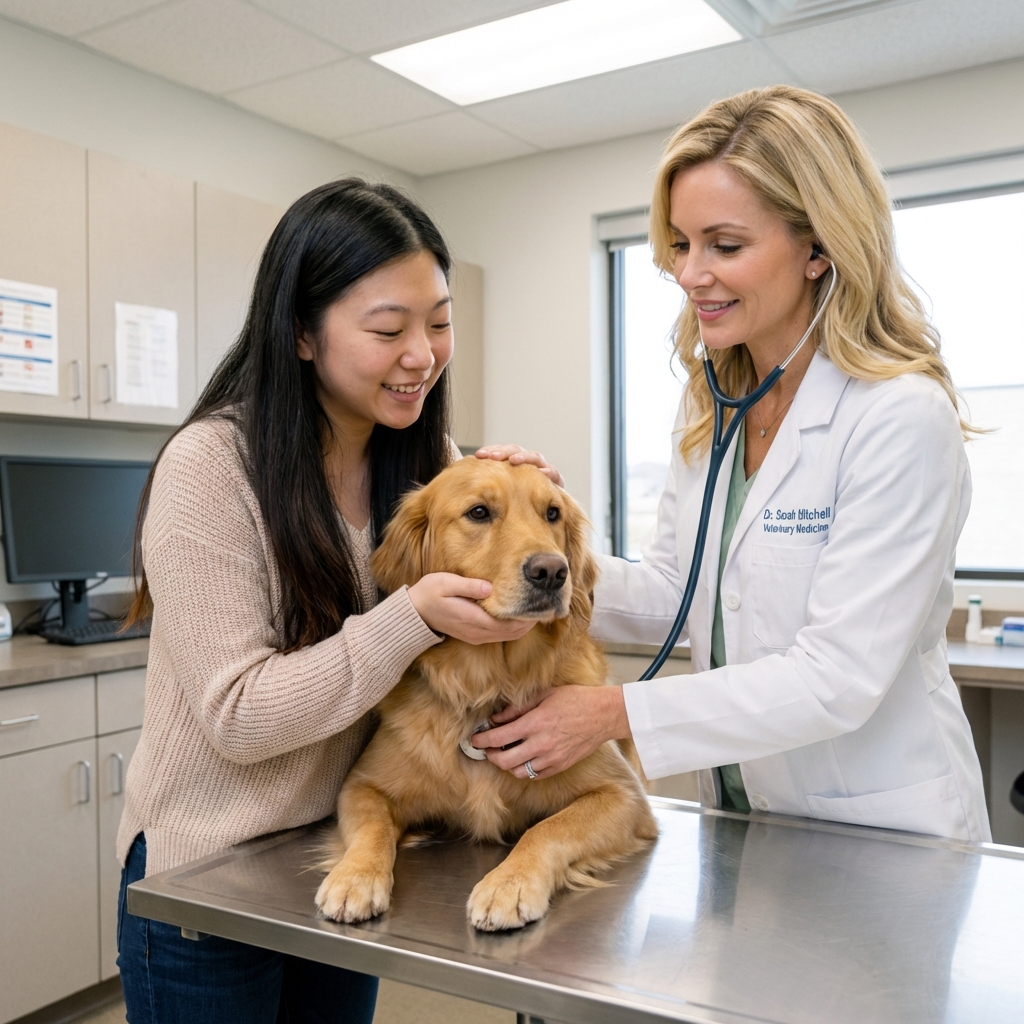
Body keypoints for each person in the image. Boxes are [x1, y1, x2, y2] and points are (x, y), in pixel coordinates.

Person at [473, 86, 991, 843]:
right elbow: (678, 594)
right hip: (747, 817)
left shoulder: (899, 416)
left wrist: (613, 714)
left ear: (819, 247)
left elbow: (837, 677)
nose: (689, 274)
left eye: (725, 245)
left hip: (881, 830)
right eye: (681, 245)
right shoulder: (712, 405)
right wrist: (537, 546)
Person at [116, 179, 538, 1024]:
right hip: (209, 876)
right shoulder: (211, 469)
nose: (422, 353)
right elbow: (240, 715)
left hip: (338, 854)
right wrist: (410, 614)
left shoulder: (419, 462)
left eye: (440, 323)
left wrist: (518, 524)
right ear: (303, 335)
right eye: (388, 330)